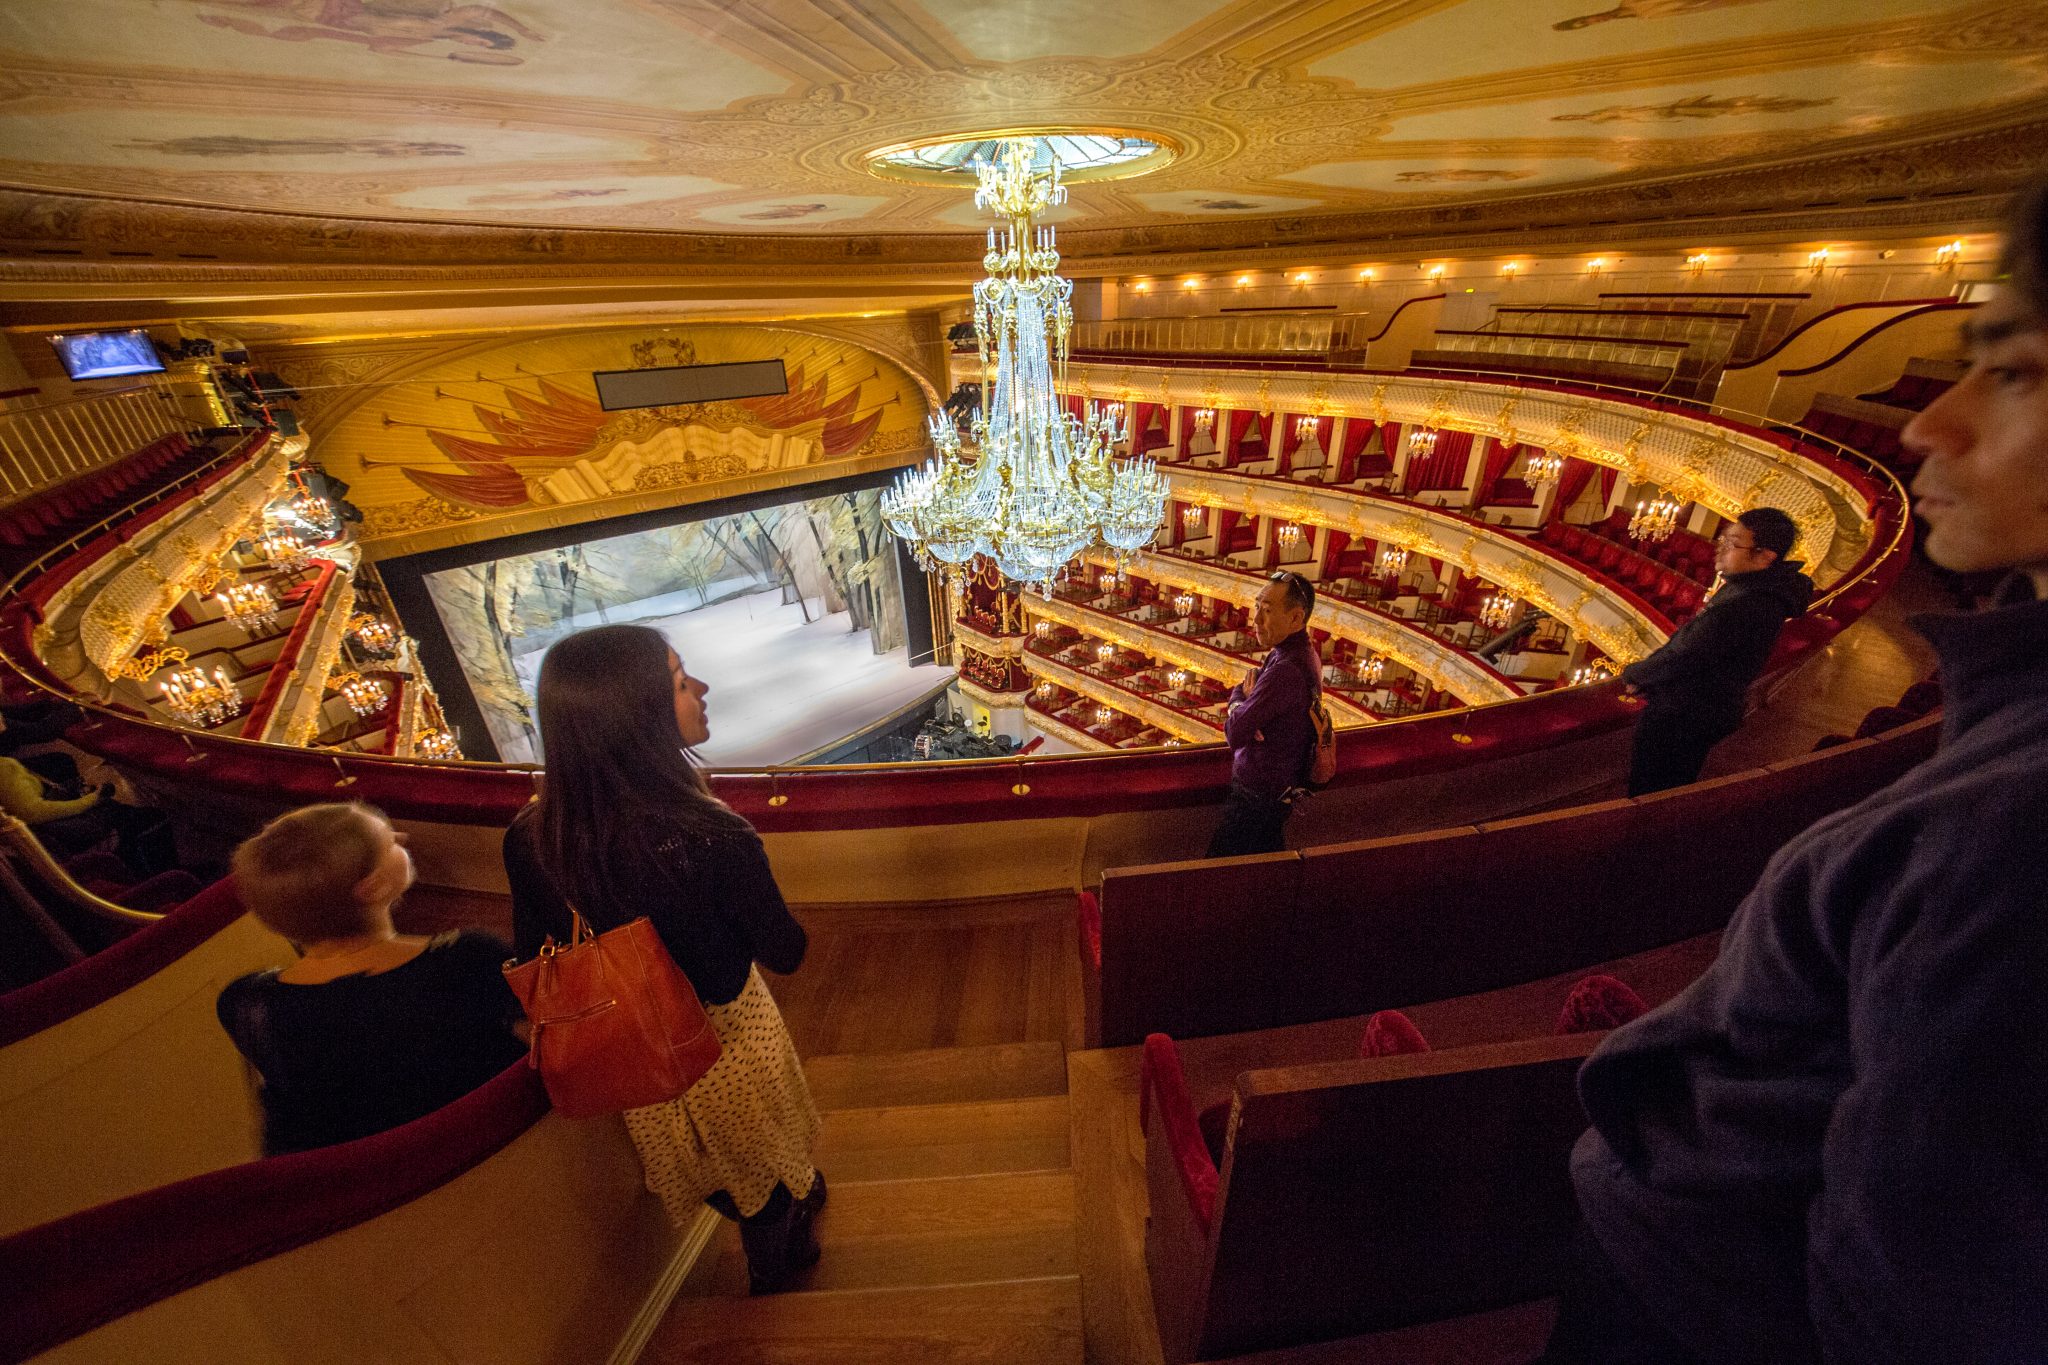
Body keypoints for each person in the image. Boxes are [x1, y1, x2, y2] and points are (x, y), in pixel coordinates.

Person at [1542, 177, 2048, 1363]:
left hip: (1681, 1303)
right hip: (1685, 1256)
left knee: (1654, 798)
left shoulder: (2009, 838)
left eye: (2017, 371)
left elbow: (1921, 1279)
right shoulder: (2001, 743)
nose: (1927, 425)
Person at [501, 624, 824, 1295]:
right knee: (758, 1151)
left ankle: (783, 1205)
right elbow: (785, 951)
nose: (701, 688)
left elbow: (534, 953)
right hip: (728, 1040)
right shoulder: (713, 835)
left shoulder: (531, 836)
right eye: (679, 681)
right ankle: (776, 1261)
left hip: (635, 1046)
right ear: (636, 715)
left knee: (711, 1160)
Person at [216, 803, 525, 1156]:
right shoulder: (469, 959)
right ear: (373, 887)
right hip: (495, 1156)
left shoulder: (246, 1004)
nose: (401, 837)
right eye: (388, 843)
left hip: (352, 1186)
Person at [1617, 506, 1813, 795]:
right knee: (1673, 785)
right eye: (1723, 539)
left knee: (1653, 790)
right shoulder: (1758, 589)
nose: (1719, 548)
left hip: (1684, 714)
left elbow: (1687, 654)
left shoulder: (1747, 602)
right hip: (1703, 709)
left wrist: (1634, 674)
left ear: (1765, 556)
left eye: (1732, 543)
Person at [1206, 571, 1321, 857]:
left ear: (1296, 618)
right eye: (1257, 606)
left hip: (1257, 798)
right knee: (1263, 866)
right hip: (1273, 792)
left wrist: (1242, 710)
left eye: (1267, 610)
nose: (1255, 619)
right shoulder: (1290, 652)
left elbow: (1235, 732)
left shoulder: (1286, 669)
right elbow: (1241, 687)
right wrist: (1242, 705)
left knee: (1216, 871)